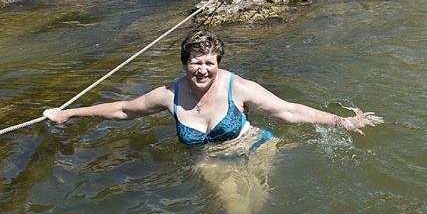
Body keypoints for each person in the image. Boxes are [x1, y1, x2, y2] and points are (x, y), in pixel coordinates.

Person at [42, 28, 383, 147]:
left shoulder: (239, 88)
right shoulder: (169, 95)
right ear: (184, 63)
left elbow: (289, 110)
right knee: (230, 211)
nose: (202, 69)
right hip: (209, 162)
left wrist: (344, 123)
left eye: (209, 62)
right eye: (195, 61)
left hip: (253, 149)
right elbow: (125, 109)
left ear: (218, 63)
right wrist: (69, 113)